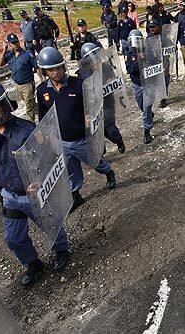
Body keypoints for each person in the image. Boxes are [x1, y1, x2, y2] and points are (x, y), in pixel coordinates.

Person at [0, 75, 70, 288]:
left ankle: (61, 250)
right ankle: (32, 263)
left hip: (33, 194)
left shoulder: (26, 130)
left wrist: (41, 181)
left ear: (2, 104)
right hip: (10, 197)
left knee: (51, 225)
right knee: (13, 237)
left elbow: (48, 157)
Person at [36, 47, 117, 211]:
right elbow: (44, 115)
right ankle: (75, 194)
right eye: (50, 70)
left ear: (63, 67)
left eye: (58, 68)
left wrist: (90, 116)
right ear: (45, 72)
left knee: (95, 162)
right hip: (61, 140)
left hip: (80, 138)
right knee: (70, 169)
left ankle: (108, 172)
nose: (55, 72)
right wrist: (44, 133)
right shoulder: (42, 91)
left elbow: (93, 105)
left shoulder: (78, 85)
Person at [79, 43, 126, 153]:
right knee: (98, 132)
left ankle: (118, 140)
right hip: (93, 107)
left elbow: (113, 80)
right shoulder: (82, 73)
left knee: (111, 130)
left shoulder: (105, 67)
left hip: (107, 103)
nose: (95, 61)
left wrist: (110, 81)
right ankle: (101, 152)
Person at [125, 30, 157, 144]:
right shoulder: (129, 55)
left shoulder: (147, 51)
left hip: (148, 84)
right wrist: (138, 60)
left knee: (146, 107)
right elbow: (130, 70)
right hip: (137, 84)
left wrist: (145, 58)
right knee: (141, 106)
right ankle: (149, 115)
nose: (135, 44)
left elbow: (155, 63)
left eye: (137, 41)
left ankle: (147, 131)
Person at [0, 33, 38, 122]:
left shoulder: (27, 54)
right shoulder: (9, 55)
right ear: (9, 44)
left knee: (29, 106)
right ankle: (41, 110)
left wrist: (42, 80)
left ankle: (31, 123)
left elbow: (36, 67)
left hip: (27, 84)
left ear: (19, 42)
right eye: (12, 43)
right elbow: (0, 64)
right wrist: (4, 50)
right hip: (18, 84)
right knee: (29, 102)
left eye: (16, 42)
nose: (15, 44)